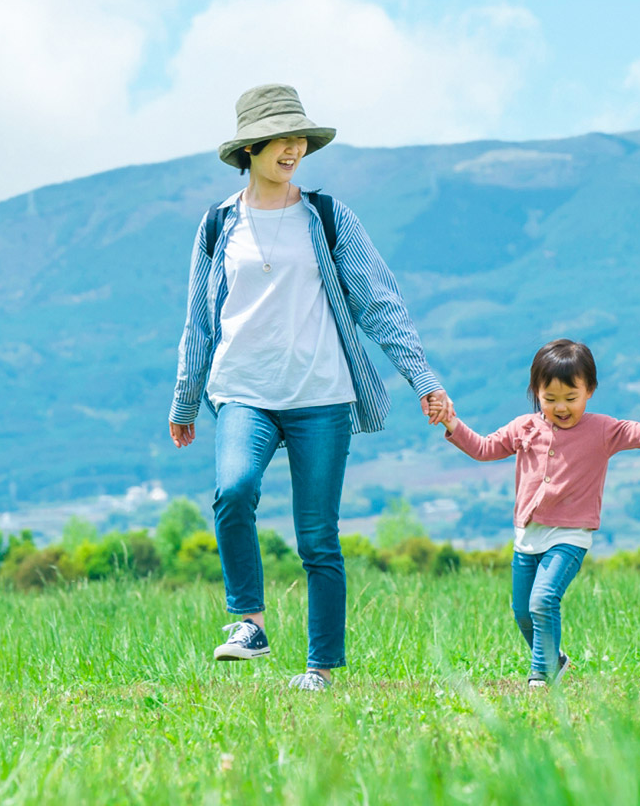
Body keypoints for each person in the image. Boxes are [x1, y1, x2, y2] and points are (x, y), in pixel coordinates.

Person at [169, 84, 451, 692]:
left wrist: (422, 379)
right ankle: (249, 622)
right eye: (282, 137)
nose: (295, 147)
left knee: (317, 535)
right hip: (243, 388)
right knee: (233, 489)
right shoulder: (219, 223)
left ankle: (320, 668)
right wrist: (186, 397)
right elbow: (201, 316)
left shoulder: (327, 217)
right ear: (251, 147)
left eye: (301, 137)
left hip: (322, 395)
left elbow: (379, 303)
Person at [437, 339, 640, 686]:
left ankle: (541, 675)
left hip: (570, 535)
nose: (561, 407)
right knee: (523, 612)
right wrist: (452, 422)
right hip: (528, 535)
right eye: (550, 399)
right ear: (536, 392)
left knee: (543, 599)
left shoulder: (602, 430)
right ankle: (555, 660)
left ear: (590, 391)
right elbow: (483, 448)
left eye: (571, 398)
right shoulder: (524, 427)